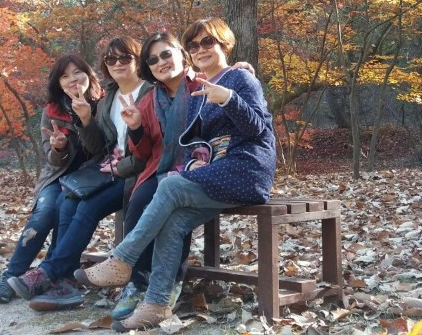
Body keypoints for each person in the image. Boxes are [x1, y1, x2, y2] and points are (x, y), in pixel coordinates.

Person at [75, 18, 276, 332]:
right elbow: (198, 143)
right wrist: (192, 160)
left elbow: (258, 129)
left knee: (168, 186)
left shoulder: (239, 78)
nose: (200, 49)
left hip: (247, 169)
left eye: (207, 42)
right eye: (194, 45)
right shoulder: (186, 93)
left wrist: (229, 98)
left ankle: (122, 260)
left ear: (224, 43)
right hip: (217, 172)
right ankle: (156, 304)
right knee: (173, 221)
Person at [9, 37, 151, 311]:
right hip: (98, 172)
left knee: (87, 206)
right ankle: (62, 282)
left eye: (125, 58)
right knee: (65, 202)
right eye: (111, 59)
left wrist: (119, 165)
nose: (118, 63)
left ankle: (50, 273)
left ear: (138, 60)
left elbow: (152, 148)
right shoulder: (109, 99)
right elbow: (99, 147)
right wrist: (85, 120)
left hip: (134, 174)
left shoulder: (150, 93)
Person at [0, 55, 102, 303]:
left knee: (66, 209)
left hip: (92, 177)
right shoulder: (52, 111)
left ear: (89, 75)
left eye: (77, 72)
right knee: (45, 213)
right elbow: (52, 160)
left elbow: (101, 149)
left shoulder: (105, 103)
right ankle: (12, 275)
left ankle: (50, 274)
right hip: (57, 176)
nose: (72, 79)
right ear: (58, 83)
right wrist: (59, 147)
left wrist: (86, 119)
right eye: (65, 76)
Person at [109, 32, 200, 320]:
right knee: (138, 204)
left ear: (181, 54)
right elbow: (144, 151)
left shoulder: (201, 84)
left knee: (175, 209)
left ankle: (170, 282)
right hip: (158, 167)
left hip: (196, 168)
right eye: (152, 59)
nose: (161, 62)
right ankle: (137, 283)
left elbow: (227, 77)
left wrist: (242, 67)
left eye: (166, 54)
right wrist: (136, 127)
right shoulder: (150, 99)